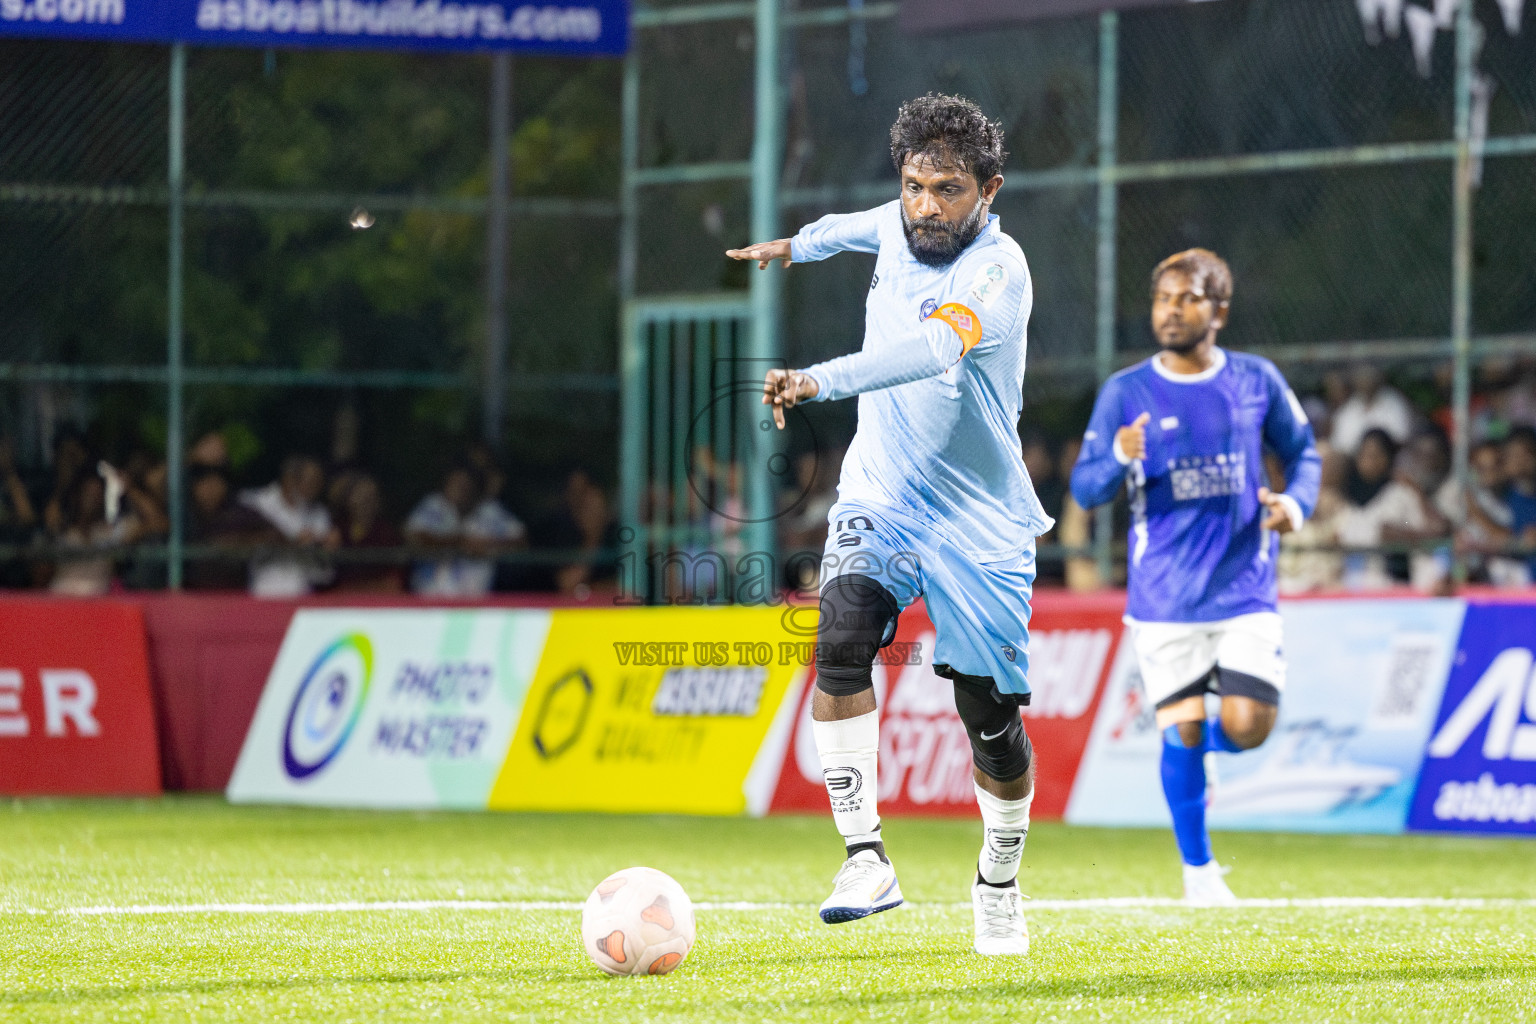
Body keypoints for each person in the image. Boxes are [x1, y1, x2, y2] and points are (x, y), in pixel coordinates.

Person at [728, 93, 1050, 955]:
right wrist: (795, 246)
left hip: (981, 524)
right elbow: (849, 225)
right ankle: (865, 857)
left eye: (947, 189)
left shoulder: (998, 271)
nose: (924, 207)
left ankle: (999, 877)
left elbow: (934, 351)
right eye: (912, 186)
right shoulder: (902, 223)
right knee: (839, 639)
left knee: (988, 718)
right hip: (883, 495)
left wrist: (819, 379)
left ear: (989, 189)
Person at [1069, 248, 1320, 903]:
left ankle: (1194, 751)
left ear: (1220, 310)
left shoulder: (1257, 381)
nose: (1171, 310)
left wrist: (1294, 505)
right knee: (1180, 728)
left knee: (1247, 726)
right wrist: (1120, 456)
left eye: (1186, 298)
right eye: (1161, 299)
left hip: (1243, 589)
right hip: (1164, 597)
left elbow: (1305, 453)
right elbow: (1086, 487)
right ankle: (1200, 872)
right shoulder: (1125, 393)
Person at [240, 455, 337, 598]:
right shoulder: (256, 503)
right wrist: (290, 540)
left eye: (318, 482)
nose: (315, 487)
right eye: (310, 481)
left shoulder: (319, 514)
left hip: (302, 594)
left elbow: (324, 574)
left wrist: (325, 548)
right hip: (263, 592)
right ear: (289, 479)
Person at [1329, 363, 1414, 456]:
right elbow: (1338, 443)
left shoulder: (1394, 402)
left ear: (1378, 380)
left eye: (1368, 378)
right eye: (1361, 378)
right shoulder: (1349, 407)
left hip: (1389, 460)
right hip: (1352, 461)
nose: (1365, 382)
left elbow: (1401, 437)